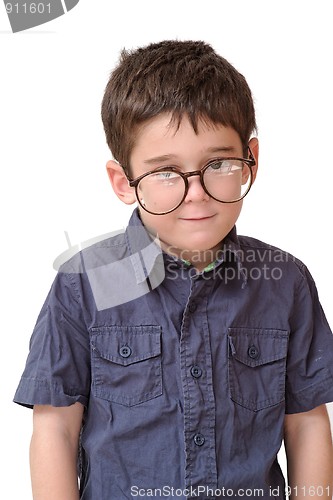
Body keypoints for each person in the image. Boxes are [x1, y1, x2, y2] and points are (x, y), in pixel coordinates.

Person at [14, 40, 333, 500]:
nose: (196, 193)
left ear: (251, 161)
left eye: (218, 163)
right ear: (123, 182)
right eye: (165, 172)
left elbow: (306, 424)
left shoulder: (286, 283)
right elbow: (54, 430)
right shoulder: (83, 284)